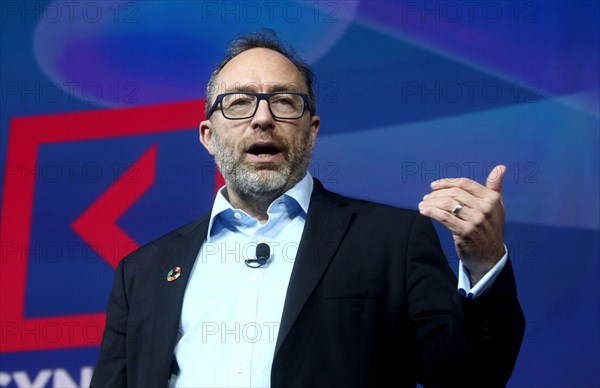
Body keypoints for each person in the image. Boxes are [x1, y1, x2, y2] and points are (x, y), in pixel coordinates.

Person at [90, 29, 525, 388]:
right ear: (208, 135)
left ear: (311, 130)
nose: (262, 118)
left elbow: (467, 379)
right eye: (239, 102)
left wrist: (484, 262)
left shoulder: (391, 240)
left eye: (284, 101)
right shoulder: (143, 272)